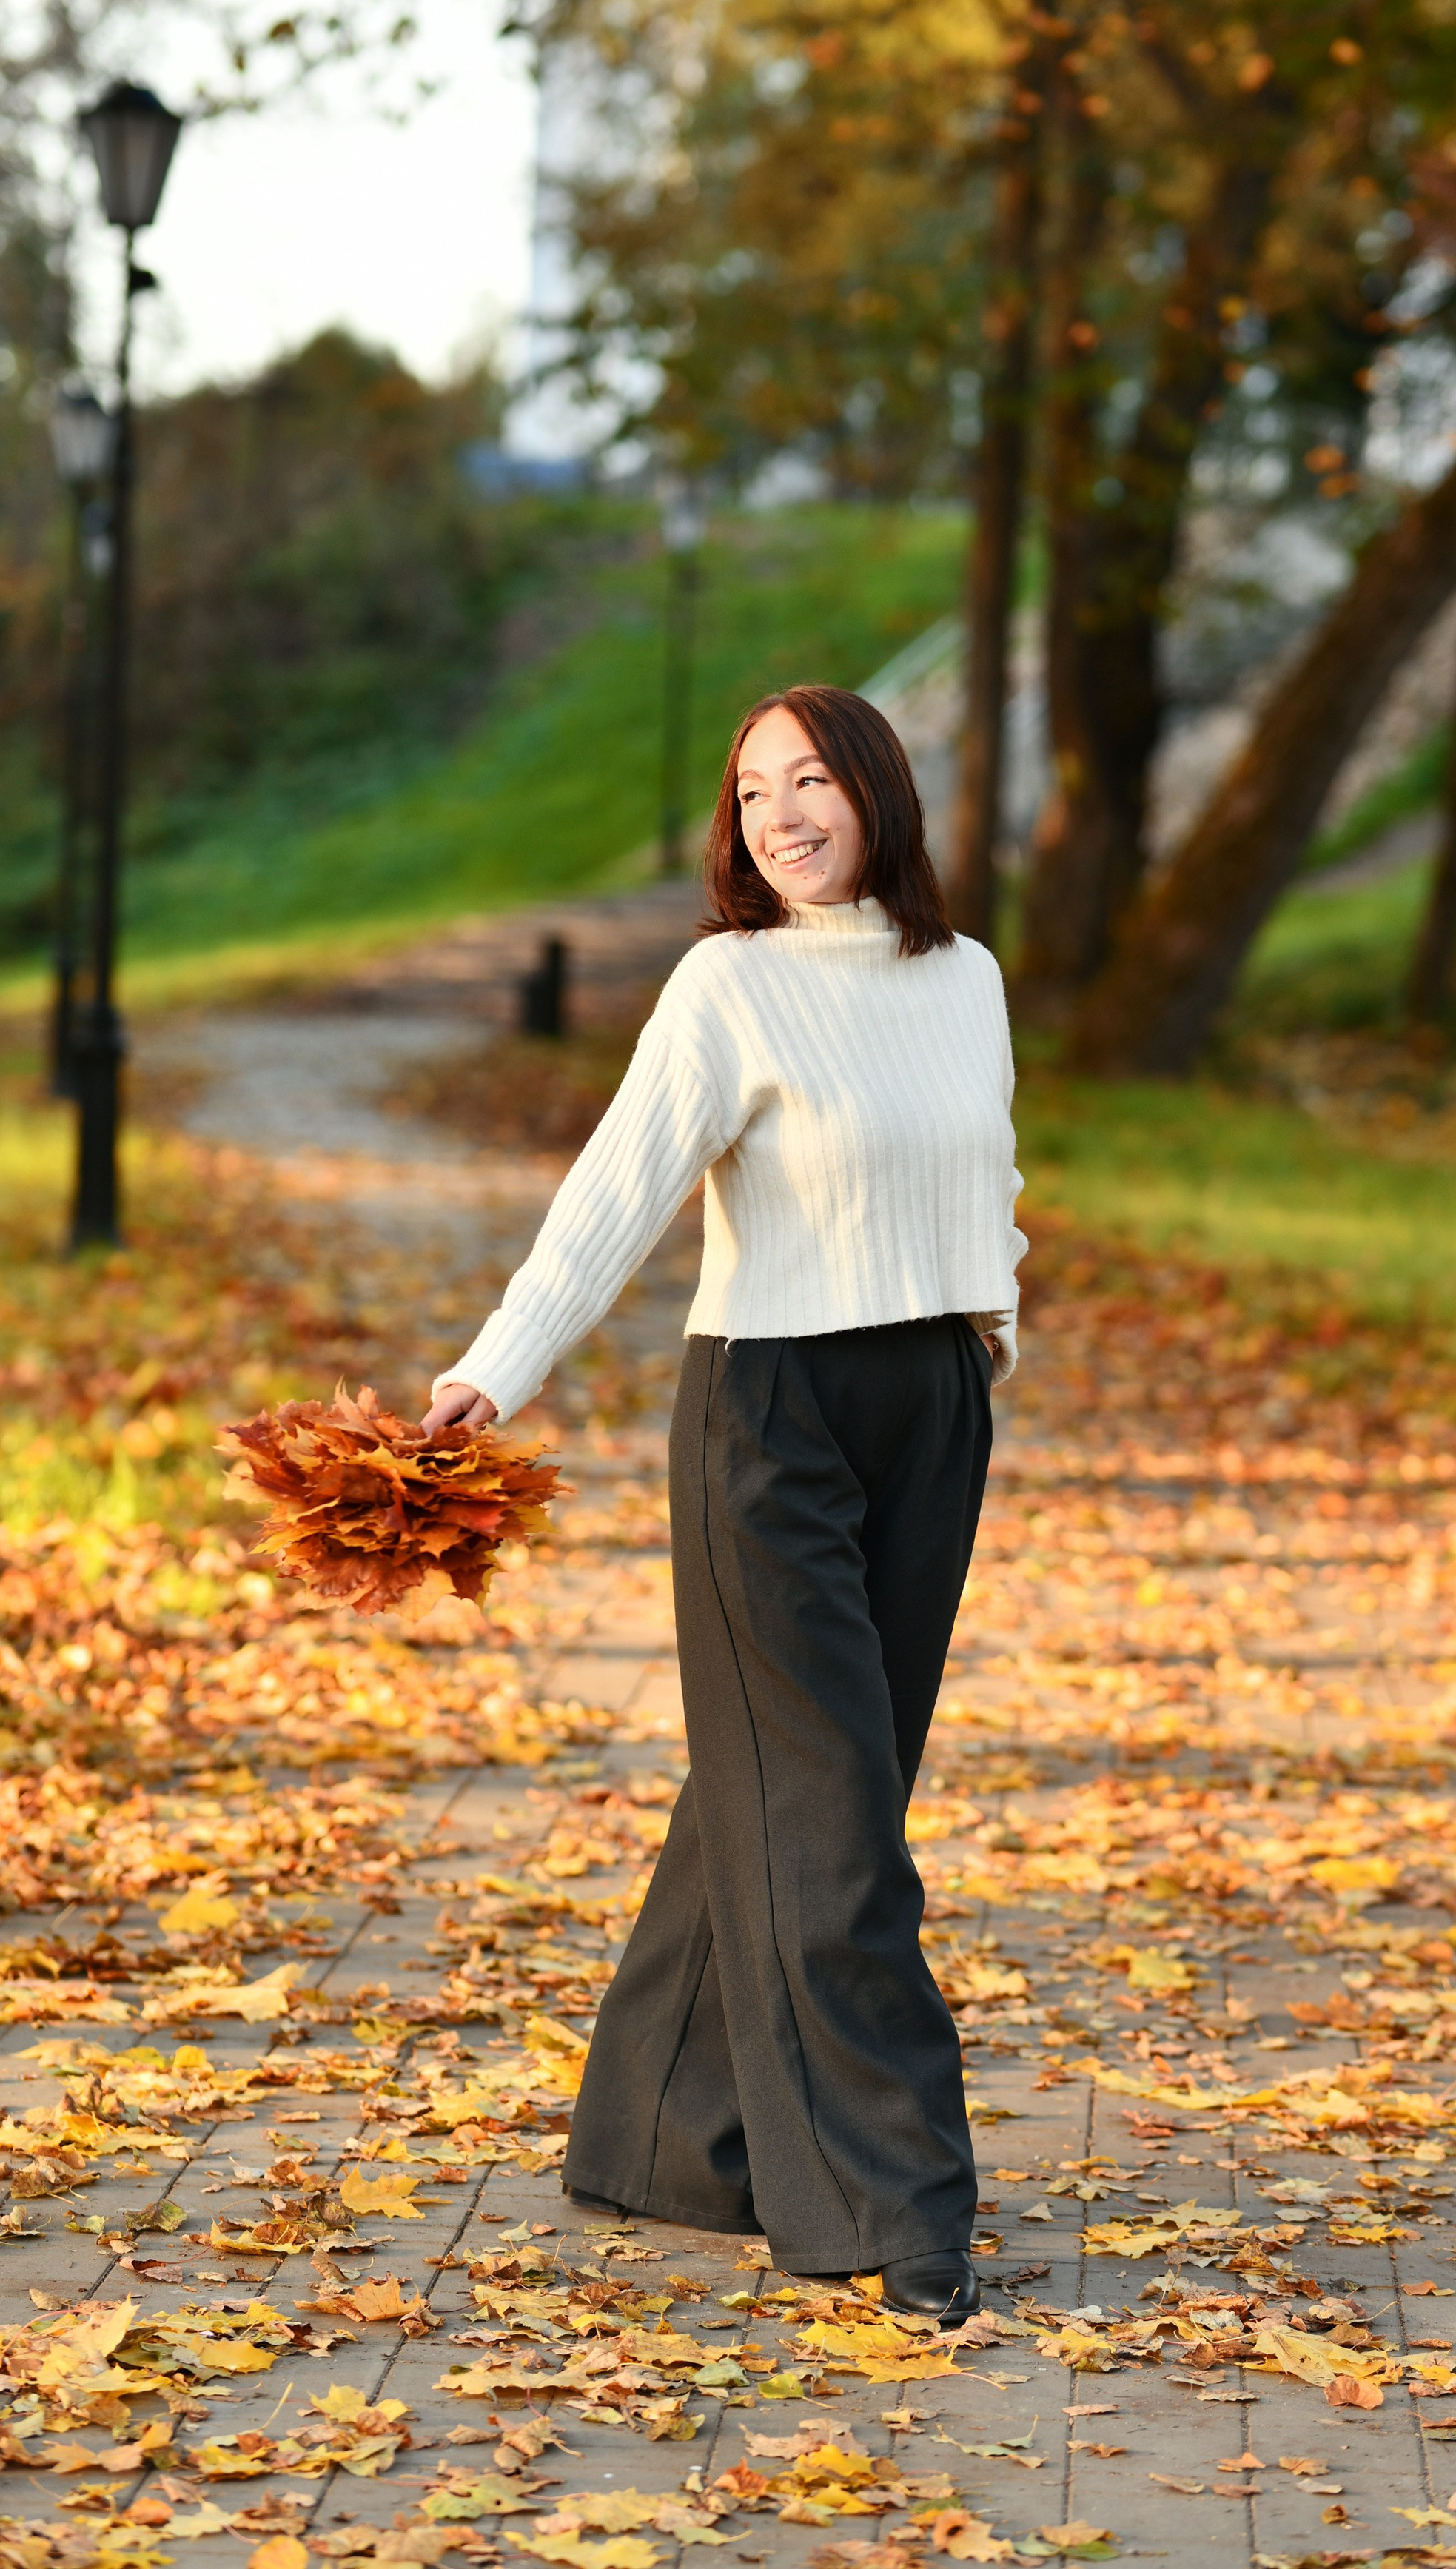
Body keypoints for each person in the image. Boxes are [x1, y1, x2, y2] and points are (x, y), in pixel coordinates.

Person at [421, 681, 1024, 2328]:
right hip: (769, 1420)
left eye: (811, 779)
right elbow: (614, 1187)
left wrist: (991, 1329)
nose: (779, 814)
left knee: (793, 1784)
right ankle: (900, 2206)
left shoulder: (961, 978)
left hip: (928, 1409)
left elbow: (989, 1167)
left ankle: (664, 2138)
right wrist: (499, 1366)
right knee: (831, 1818)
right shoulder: (725, 987)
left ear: (877, 795)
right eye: (752, 790)